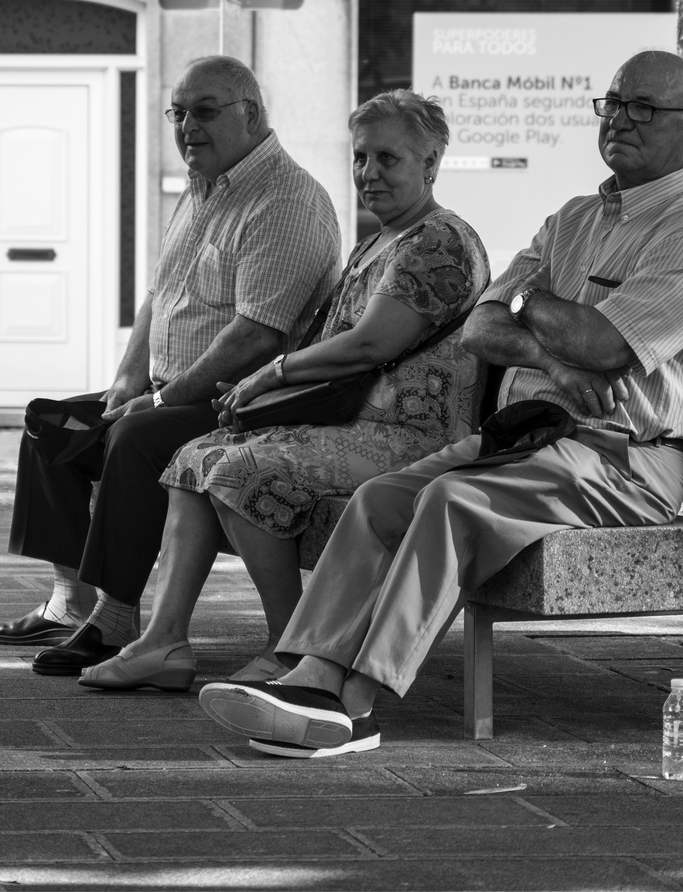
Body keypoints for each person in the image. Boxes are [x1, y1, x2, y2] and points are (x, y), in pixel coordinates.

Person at [196, 50, 683, 758]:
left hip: (620, 464)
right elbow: (484, 325)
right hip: (525, 438)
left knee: (447, 502)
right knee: (380, 499)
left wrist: (534, 304)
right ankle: (307, 672)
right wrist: (542, 338)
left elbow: (605, 345)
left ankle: (353, 709)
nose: (619, 120)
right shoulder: (574, 217)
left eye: (644, 108)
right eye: (611, 103)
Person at [76, 91, 490, 694]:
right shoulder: (378, 242)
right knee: (192, 459)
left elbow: (369, 345)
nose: (368, 174)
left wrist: (270, 374)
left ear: (429, 165)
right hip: (353, 426)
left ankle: (286, 648)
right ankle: (162, 641)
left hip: (413, 438)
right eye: (360, 158)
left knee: (238, 470)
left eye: (387, 160)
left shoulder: (439, 242)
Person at [0, 55, 341, 676]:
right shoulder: (201, 186)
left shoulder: (286, 200)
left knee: (136, 438)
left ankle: (116, 618)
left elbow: (257, 335)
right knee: (50, 426)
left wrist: (159, 399)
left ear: (250, 114)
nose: (185, 128)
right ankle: (71, 603)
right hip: (168, 388)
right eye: (178, 113)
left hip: (242, 402)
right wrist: (127, 378)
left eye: (203, 112)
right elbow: (161, 292)